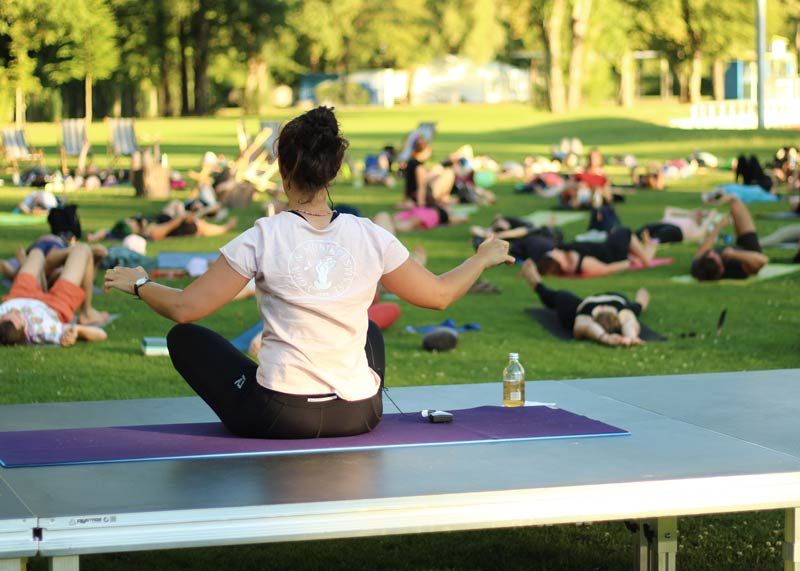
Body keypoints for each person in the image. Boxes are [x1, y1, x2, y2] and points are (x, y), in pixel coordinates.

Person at [104, 106, 513, 440]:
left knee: (185, 340)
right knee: (368, 330)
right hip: (359, 414)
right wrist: (480, 257)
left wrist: (141, 283)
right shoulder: (369, 234)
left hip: (281, 416)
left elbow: (185, 308)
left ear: (282, 172)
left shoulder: (263, 235)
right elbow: (439, 295)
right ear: (333, 173)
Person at [520, 259, 649, 347]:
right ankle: (535, 281)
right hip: (613, 298)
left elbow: (587, 328)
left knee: (559, 296)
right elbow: (639, 306)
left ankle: (536, 283)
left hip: (580, 306)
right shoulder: (624, 312)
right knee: (636, 308)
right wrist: (632, 337)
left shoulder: (585, 317)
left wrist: (607, 338)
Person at [0, 243, 108, 346]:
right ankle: (87, 313)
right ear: (24, 329)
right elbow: (101, 334)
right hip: (55, 305)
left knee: (36, 253)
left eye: (6, 315)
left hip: (20, 294)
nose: (14, 311)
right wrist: (78, 330)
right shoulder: (45, 330)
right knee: (83, 250)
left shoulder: (4, 318)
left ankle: (45, 267)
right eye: (17, 315)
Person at [690, 194, 769, 281]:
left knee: (735, 205)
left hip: (737, 248)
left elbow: (704, 249)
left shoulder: (699, 266)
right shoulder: (734, 270)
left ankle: (725, 198)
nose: (713, 252)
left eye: (709, 254)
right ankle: (730, 198)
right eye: (715, 256)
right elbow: (763, 260)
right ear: (721, 269)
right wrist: (732, 254)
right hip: (749, 252)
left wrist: (720, 225)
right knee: (737, 205)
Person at [88, 200, 237, 242]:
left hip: (171, 219)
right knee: (199, 225)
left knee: (177, 204)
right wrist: (184, 216)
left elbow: (106, 232)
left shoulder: (122, 231)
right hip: (180, 226)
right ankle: (224, 227)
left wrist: (94, 237)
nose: (133, 220)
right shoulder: (150, 233)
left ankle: (211, 211)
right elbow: (171, 226)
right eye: (132, 222)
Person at [537, 226, 657, 278]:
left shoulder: (564, 250)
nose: (554, 250)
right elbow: (606, 269)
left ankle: (648, 246)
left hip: (608, 245)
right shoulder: (582, 263)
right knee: (624, 233)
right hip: (614, 251)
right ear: (558, 262)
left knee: (619, 234)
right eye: (554, 254)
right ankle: (649, 251)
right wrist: (628, 263)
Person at [636, 207, 718, 244]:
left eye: (699, 215)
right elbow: (669, 209)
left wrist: (709, 216)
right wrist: (689, 213)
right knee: (647, 227)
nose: (698, 214)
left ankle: (652, 241)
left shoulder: (695, 227)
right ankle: (635, 238)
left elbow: (702, 231)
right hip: (662, 224)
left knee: (667, 232)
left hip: (676, 230)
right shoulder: (675, 217)